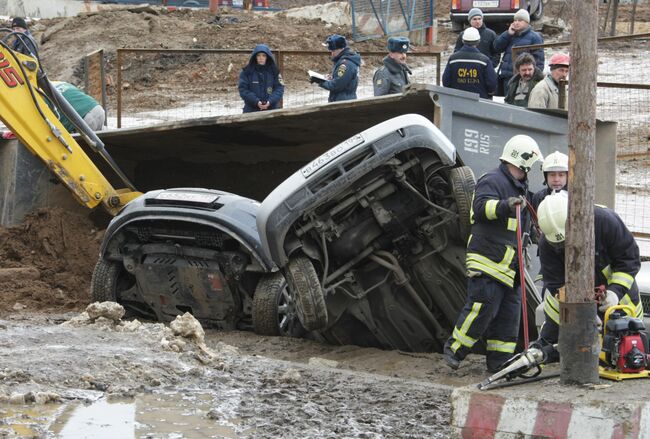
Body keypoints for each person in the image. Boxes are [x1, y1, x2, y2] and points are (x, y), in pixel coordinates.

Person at [444, 134, 543, 372]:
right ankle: (455, 349)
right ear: (524, 160)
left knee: (509, 318)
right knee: (482, 307)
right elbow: (479, 209)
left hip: (511, 268)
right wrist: (504, 205)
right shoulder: (493, 180)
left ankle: (499, 362)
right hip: (489, 260)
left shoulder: (521, 186)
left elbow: (524, 224)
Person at [531, 192, 643, 363]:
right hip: (566, 305)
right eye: (559, 244)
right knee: (550, 351)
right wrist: (582, 313)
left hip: (619, 300)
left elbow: (629, 260)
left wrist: (615, 292)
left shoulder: (605, 221)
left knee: (625, 354)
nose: (564, 247)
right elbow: (555, 284)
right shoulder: (547, 243)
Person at [493, 9, 544, 97]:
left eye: (520, 20)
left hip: (523, 78)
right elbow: (496, 47)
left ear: (527, 22)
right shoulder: (510, 35)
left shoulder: (535, 37)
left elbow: (539, 61)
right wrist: (507, 34)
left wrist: (533, 78)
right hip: (507, 77)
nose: (516, 23)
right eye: (515, 20)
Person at [442, 27, 497, 99]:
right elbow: (492, 83)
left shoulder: (453, 59)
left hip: (457, 100)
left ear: (463, 41)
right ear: (478, 41)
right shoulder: (484, 60)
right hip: (480, 101)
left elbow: (446, 81)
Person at [238, 44, 284, 113]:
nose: (261, 58)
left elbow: (279, 88)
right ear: (255, 57)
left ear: (267, 57)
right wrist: (256, 101)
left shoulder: (275, 72)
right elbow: (243, 89)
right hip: (251, 110)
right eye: (258, 55)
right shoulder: (246, 72)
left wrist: (270, 101)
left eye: (264, 55)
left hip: (271, 110)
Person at [316, 34, 361, 103]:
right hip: (344, 101)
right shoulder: (346, 61)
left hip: (343, 104)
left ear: (341, 49)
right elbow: (342, 80)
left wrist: (320, 81)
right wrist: (332, 78)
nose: (332, 54)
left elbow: (336, 86)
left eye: (333, 51)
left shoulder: (345, 65)